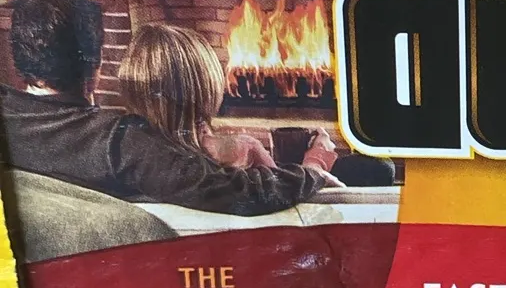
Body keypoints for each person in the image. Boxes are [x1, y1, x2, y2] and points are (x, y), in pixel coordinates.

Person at [0, 0, 339, 215]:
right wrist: (314, 168)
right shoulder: (119, 141)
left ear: (18, 60)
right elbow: (241, 193)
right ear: (95, 66)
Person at [118, 22, 340, 182]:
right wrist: (316, 162)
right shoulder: (218, 169)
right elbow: (281, 195)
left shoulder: (125, 154)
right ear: (206, 87)